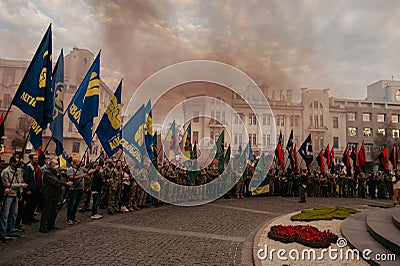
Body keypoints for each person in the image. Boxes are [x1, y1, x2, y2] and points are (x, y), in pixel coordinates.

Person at [39, 159, 72, 233]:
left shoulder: (55, 172)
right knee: (47, 211)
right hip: (49, 194)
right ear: (51, 164)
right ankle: (43, 226)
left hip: (55, 194)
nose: (57, 166)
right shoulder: (48, 172)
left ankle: (51, 224)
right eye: (55, 164)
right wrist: (66, 183)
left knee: (53, 210)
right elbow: (55, 181)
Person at [0, 156, 28, 242]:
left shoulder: (18, 171)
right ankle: (3, 233)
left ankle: (10, 231)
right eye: (16, 162)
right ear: (12, 163)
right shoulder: (6, 172)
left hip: (16, 195)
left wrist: (21, 193)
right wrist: (20, 185)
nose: (18, 164)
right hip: (8, 195)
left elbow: (20, 180)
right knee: (5, 215)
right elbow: (6, 184)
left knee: (13, 214)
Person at [66, 159, 95, 225]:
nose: (80, 162)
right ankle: (69, 218)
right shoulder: (71, 169)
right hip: (74, 189)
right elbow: (71, 177)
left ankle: (73, 217)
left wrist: (96, 169)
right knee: (72, 204)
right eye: (79, 162)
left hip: (80, 189)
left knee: (76, 204)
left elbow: (88, 171)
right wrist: (81, 176)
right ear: (75, 162)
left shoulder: (81, 169)